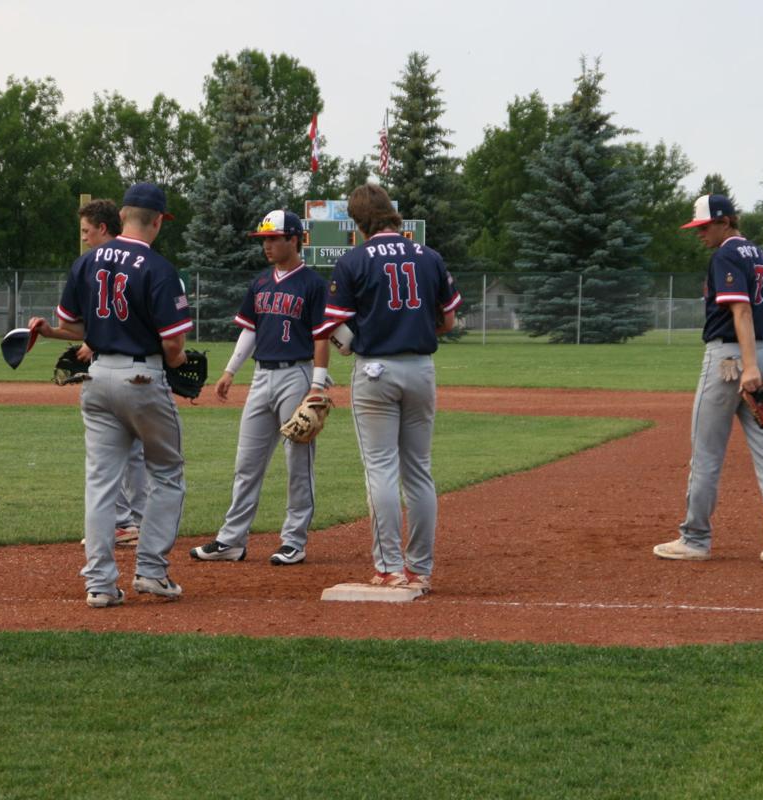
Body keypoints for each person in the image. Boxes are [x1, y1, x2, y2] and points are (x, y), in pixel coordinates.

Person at [29, 182, 191, 607]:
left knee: (101, 484)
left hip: (97, 377)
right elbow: (174, 347)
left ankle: (99, 583)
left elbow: (78, 327)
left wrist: (54, 331)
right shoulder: (158, 268)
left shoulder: (87, 262)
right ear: (157, 221)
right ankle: (152, 571)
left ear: (121, 218)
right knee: (167, 474)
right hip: (142, 379)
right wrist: (177, 363)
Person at [318, 184, 461, 591]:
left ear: (357, 221)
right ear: (392, 214)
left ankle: (389, 568)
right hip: (420, 368)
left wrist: (350, 342)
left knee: (381, 468)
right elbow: (448, 322)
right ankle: (420, 570)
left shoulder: (353, 260)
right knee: (418, 471)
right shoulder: (428, 256)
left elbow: (331, 324)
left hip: (376, 370)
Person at [654, 194, 763, 564]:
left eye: (704, 227)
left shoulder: (725, 255)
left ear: (724, 222)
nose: (699, 234)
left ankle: (695, 539)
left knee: (706, 455)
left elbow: (741, 310)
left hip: (729, 361)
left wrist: (749, 367)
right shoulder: (760, 254)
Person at [190, 210, 329, 566]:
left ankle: (294, 541)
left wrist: (316, 385)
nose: (266, 245)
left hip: (296, 374)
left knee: (298, 462)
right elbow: (249, 329)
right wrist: (230, 370)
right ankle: (232, 540)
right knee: (246, 463)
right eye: (264, 239)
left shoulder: (313, 284)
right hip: (261, 376)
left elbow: (321, 337)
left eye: (273, 238)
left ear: (294, 239)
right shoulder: (261, 283)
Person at [76, 199, 147, 548]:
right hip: (120, 370)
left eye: (88, 231)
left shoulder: (110, 265)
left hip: (126, 369)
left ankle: (128, 523)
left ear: (104, 228)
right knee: (127, 453)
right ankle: (128, 522)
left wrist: (96, 341)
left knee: (122, 454)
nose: (85, 238)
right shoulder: (106, 265)